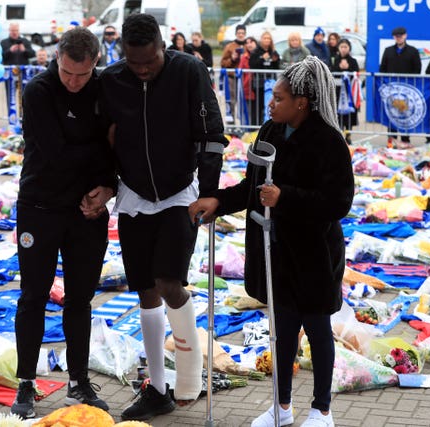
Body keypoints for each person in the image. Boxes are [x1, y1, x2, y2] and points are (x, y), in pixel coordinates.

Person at [188, 55, 354, 427]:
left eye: (279, 98)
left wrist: (286, 197)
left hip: (314, 253)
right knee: (282, 332)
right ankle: (281, 406)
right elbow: (252, 188)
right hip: (274, 249)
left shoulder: (329, 141)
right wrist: (219, 201)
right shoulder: (269, 132)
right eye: (272, 96)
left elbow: (339, 202)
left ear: (302, 102)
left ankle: (321, 410)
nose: (271, 103)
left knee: (317, 328)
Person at [99, 13, 228, 421]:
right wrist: (104, 181)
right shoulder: (112, 79)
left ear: (162, 47)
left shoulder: (188, 70)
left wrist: (209, 192)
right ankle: (157, 387)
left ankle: (190, 375)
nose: (141, 70)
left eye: (149, 62)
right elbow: (103, 139)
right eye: (133, 62)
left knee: (170, 282)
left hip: (180, 194)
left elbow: (211, 133)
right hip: (133, 195)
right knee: (145, 290)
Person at [11, 26, 116, 420]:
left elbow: (116, 148)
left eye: (82, 75)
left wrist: (106, 187)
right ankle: (26, 381)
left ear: (94, 66)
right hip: (40, 205)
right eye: (67, 72)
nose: (74, 82)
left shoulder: (103, 88)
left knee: (80, 299)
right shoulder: (38, 90)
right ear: (57, 59)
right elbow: (56, 152)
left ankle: (79, 379)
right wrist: (100, 157)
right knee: (33, 295)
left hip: (88, 210)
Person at [379, 26, 421, 147]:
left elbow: (417, 69)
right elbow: (383, 69)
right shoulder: (388, 51)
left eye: (401, 36)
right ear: (394, 37)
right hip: (392, 91)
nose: (399, 38)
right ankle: (391, 140)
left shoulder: (413, 51)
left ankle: (405, 140)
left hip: (407, 90)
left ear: (405, 36)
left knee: (405, 115)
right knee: (392, 114)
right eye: (396, 36)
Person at [330, 38, 360, 144]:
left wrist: (348, 69)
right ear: (338, 48)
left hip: (349, 92)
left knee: (349, 116)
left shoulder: (353, 61)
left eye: (345, 47)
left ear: (349, 48)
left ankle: (348, 135)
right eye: (341, 47)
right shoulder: (335, 59)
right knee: (337, 115)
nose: (343, 49)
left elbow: (356, 75)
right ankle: (338, 135)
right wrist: (339, 68)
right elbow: (331, 73)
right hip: (337, 92)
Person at [250, 31, 280, 125]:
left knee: (270, 106)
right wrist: (262, 58)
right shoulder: (256, 51)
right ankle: (256, 127)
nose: (267, 40)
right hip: (259, 83)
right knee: (258, 107)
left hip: (271, 83)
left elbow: (277, 67)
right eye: (265, 38)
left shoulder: (273, 52)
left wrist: (276, 61)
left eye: (268, 38)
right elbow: (252, 65)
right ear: (261, 40)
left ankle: (269, 125)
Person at [220, 24, 247, 123]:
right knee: (231, 102)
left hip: (245, 78)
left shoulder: (248, 45)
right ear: (236, 34)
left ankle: (245, 128)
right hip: (232, 78)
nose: (241, 35)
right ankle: (231, 126)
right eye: (239, 33)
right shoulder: (230, 46)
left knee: (245, 103)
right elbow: (223, 63)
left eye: (243, 33)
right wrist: (232, 58)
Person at [239, 37, 258, 125]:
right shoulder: (244, 57)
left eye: (251, 42)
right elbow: (240, 71)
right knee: (249, 112)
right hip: (248, 88)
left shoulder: (260, 54)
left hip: (258, 87)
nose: (249, 44)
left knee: (258, 112)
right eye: (247, 43)